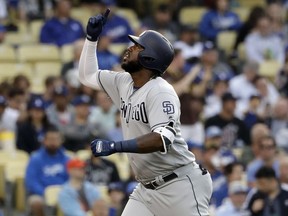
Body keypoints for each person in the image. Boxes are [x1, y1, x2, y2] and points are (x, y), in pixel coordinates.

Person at [79, 9, 212, 216]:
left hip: (179, 185)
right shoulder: (124, 82)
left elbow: (162, 139)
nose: (129, 48)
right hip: (146, 190)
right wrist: (91, 39)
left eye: (137, 46)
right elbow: (87, 77)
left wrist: (116, 146)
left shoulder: (161, 91)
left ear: (149, 58)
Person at [25, 126, 70, 216]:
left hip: (62, 193)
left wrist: (63, 193)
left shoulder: (66, 159)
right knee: (36, 202)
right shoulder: (35, 158)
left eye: (56, 139)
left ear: (60, 141)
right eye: (50, 139)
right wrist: (46, 193)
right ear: (44, 141)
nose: (53, 142)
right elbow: (31, 182)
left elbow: (70, 180)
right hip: (41, 194)